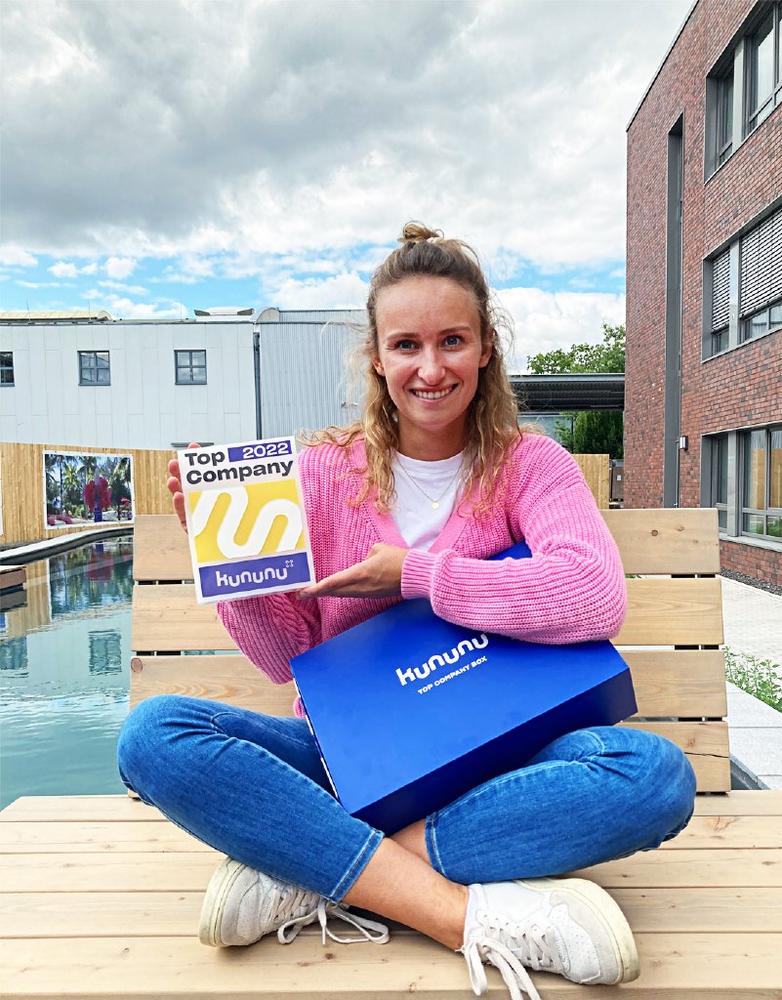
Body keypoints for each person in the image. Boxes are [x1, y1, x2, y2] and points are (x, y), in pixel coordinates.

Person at [116, 223, 697, 1000]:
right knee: (154, 735)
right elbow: (286, 661)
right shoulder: (321, 473)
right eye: (406, 346)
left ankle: (314, 869)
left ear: (485, 347)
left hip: (505, 763)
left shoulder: (531, 465)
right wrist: (230, 565)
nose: (430, 368)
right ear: (377, 356)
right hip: (349, 762)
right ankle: (459, 912)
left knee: (655, 776)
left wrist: (419, 573)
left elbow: (594, 594)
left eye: (452, 341)